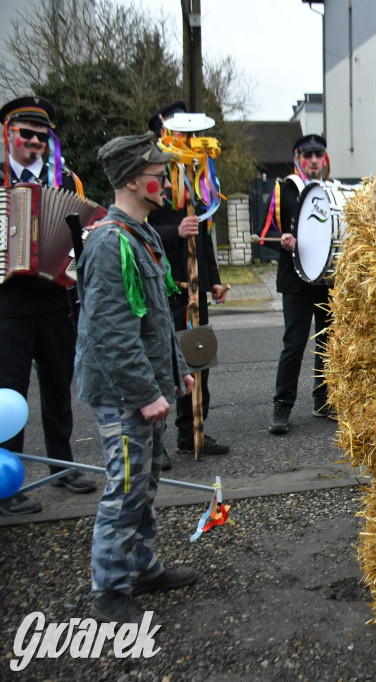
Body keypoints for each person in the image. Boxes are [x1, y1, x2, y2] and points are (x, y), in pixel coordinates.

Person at [76, 132, 199, 624]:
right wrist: (146, 392)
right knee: (124, 486)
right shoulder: (110, 242)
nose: (166, 182)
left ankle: (143, 568)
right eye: (158, 173)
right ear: (132, 179)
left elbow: (155, 318)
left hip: (145, 388)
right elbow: (111, 332)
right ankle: (108, 589)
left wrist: (176, 374)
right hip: (123, 393)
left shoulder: (142, 234)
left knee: (144, 483)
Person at [0, 95, 96, 516]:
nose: (35, 142)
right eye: (27, 134)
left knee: (58, 385)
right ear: (8, 133)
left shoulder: (66, 180)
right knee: (9, 394)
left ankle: (62, 465)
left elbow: (85, 233)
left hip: (56, 298)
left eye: (42, 136)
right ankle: (7, 478)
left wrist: (71, 267)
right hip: (7, 303)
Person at [147, 100, 230, 458]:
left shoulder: (198, 177)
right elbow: (140, 228)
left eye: (191, 131)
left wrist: (213, 278)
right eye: (180, 130)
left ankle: (192, 431)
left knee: (198, 356)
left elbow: (204, 232)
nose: (187, 136)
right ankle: (155, 442)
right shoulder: (152, 175)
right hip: (164, 284)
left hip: (196, 287)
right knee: (162, 361)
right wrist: (175, 231)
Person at [267, 134, 333, 434]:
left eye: (319, 155)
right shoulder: (285, 189)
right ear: (299, 158)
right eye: (308, 156)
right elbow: (265, 232)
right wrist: (281, 242)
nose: (314, 160)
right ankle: (282, 405)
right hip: (295, 280)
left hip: (326, 281)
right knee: (293, 345)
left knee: (327, 342)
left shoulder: (332, 190)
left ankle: (323, 398)